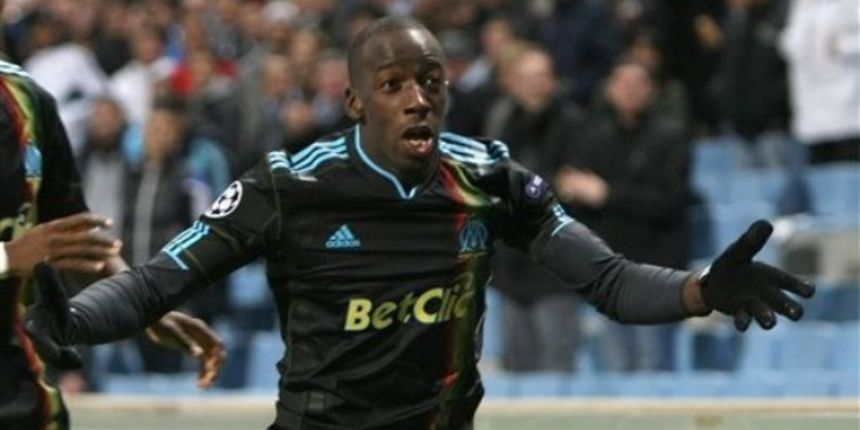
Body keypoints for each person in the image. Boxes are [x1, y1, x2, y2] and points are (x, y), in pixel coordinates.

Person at [24, 17, 814, 430]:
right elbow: (154, 286)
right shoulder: (287, 188)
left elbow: (607, 280)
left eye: (430, 81)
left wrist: (702, 288)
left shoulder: (490, 179)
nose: (417, 97)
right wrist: (48, 325)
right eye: (394, 83)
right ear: (356, 101)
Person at [0, 9, 225, 428]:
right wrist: (8, 259)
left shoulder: (30, 101)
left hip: (21, 389)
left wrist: (146, 307)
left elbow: (77, 239)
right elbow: (19, 253)